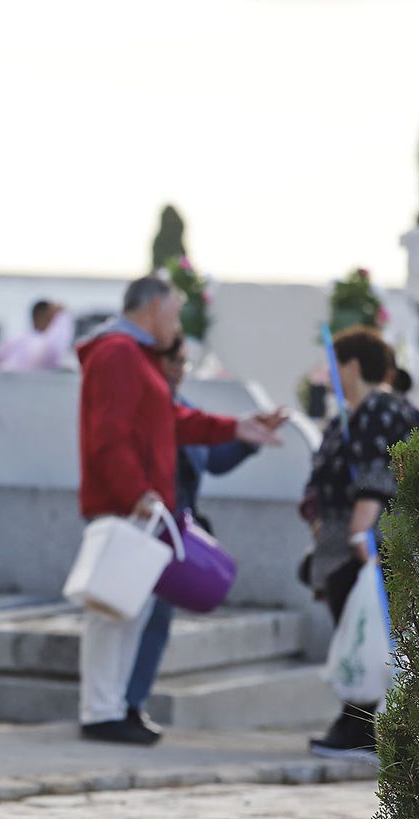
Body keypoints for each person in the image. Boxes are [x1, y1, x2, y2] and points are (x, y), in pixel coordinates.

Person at [76, 275, 286, 744]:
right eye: (174, 314)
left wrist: (237, 429)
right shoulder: (118, 354)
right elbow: (109, 437)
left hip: (142, 509)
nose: (177, 326)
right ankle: (100, 712)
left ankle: (115, 709)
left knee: (129, 610)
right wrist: (137, 493)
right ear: (152, 309)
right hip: (127, 507)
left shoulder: (135, 358)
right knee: (111, 613)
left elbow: (172, 420)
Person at [302, 327, 419, 762]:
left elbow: (376, 477)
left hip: (363, 548)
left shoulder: (378, 409)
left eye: (337, 365)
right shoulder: (366, 411)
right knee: (363, 633)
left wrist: (363, 537)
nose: (331, 375)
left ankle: (359, 727)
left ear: (353, 366)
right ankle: (361, 725)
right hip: (350, 545)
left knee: (365, 633)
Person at [122, 338, 260, 722]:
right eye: (172, 361)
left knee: (158, 620)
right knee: (127, 617)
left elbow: (214, 457)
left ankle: (133, 704)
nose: (179, 369)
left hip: (175, 530)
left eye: (184, 361)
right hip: (138, 524)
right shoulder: (137, 408)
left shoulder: (186, 409)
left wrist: (249, 439)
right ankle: (110, 705)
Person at [0, 299, 74, 371]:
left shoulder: (12, 341)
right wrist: (63, 315)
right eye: (55, 318)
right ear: (48, 318)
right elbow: (59, 343)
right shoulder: (46, 346)